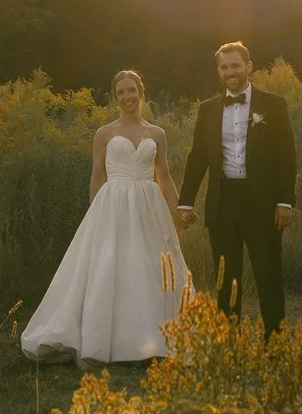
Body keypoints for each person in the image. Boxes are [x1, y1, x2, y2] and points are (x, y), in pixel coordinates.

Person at [20, 69, 190, 368]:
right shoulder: (105, 134)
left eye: (131, 90)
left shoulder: (156, 134)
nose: (127, 97)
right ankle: (106, 340)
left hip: (149, 208)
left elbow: (164, 176)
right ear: (115, 97)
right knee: (112, 267)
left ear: (141, 92)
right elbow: (97, 175)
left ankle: (151, 340)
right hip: (113, 206)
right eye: (121, 92)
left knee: (149, 268)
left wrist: (178, 212)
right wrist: (95, 215)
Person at [176, 41, 297, 337]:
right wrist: (185, 203)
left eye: (235, 65)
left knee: (268, 275)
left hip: (263, 204)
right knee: (226, 278)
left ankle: (275, 343)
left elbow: (286, 156)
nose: (230, 71)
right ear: (219, 70)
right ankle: (229, 345)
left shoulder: (273, 105)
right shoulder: (207, 110)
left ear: (248, 66)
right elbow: (197, 158)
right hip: (223, 203)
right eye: (224, 67)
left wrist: (285, 201)